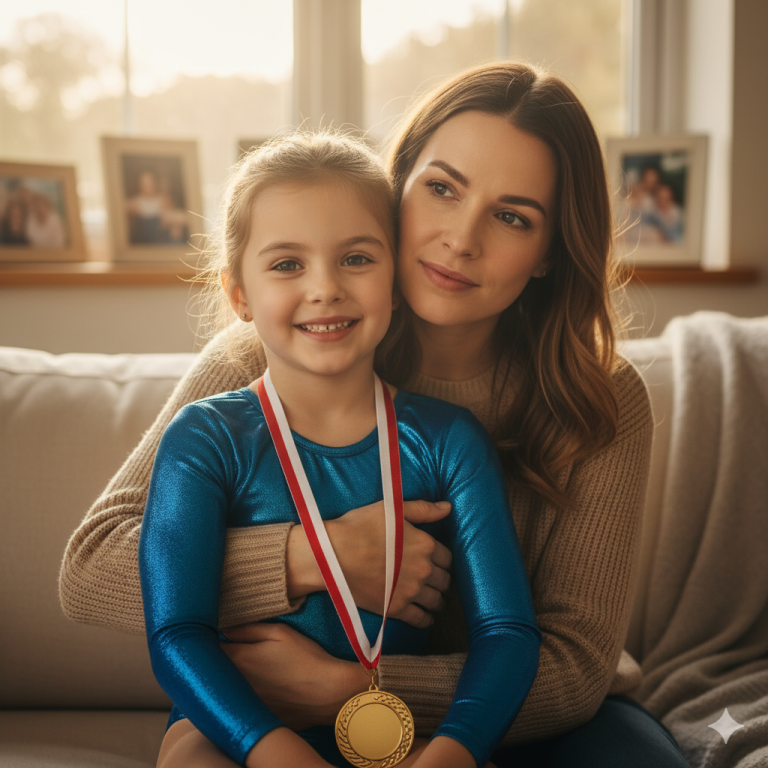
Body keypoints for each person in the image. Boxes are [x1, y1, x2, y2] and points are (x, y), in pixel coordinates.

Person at [60, 62, 690, 767]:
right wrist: (315, 557)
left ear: (548, 253)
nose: (460, 238)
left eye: (512, 216)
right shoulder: (269, 353)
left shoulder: (597, 395)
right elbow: (92, 568)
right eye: (442, 189)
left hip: (510, 716)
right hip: (269, 713)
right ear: (397, 192)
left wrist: (358, 689)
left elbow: (574, 667)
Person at [138, 130, 540, 768]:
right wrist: (272, 751)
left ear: (395, 274)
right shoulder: (205, 438)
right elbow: (176, 635)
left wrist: (456, 751)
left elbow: (507, 633)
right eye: (287, 264)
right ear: (238, 293)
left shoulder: (448, 439)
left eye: (356, 258)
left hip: (405, 733)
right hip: (235, 730)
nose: (325, 288)